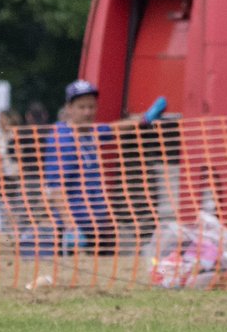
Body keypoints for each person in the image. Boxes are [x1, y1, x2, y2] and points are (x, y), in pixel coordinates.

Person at [43, 80, 166, 255]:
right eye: (82, 107)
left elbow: (114, 128)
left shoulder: (89, 132)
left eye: (91, 107)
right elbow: (56, 188)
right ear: (69, 108)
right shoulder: (63, 140)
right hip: (76, 228)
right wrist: (71, 227)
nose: (88, 112)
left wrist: (144, 119)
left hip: (97, 223)